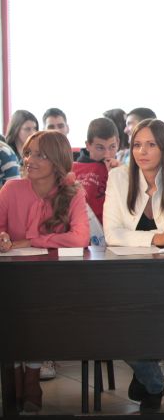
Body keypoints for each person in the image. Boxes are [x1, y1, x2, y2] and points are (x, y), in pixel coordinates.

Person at [102, 118, 164, 412]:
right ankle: (154, 382)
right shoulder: (118, 178)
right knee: (110, 322)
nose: (142, 152)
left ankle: (145, 378)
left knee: (149, 319)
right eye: (136, 145)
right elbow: (112, 234)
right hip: (124, 273)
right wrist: (156, 238)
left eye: (150, 145)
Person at [0, 130, 90, 413]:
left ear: (57, 160)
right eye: (28, 153)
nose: (30, 160)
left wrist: (33, 241)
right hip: (12, 279)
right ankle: (16, 373)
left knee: (37, 306)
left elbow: (80, 238)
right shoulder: (11, 189)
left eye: (40, 155)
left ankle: (31, 375)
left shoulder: (73, 192)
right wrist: (3, 237)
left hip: (53, 281)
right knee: (13, 304)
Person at [73, 117, 121, 224]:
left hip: (112, 229)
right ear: (88, 145)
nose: (107, 154)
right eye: (100, 148)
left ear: (118, 143)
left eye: (112, 147)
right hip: (79, 228)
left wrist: (119, 176)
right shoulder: (72, 169)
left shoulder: (123, 171)